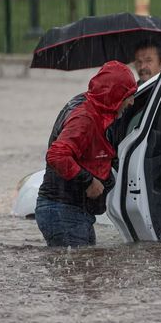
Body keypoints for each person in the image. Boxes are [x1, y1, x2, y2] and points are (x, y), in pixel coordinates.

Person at [35, 61, 138, 247]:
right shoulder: (85, 118)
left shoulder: (95, 106)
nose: (132, 102)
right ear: (114, 95)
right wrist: (88, 181)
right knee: (81, 273)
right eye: (129, 96)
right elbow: (57, 156)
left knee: (86, 271)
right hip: (63, 211)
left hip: (72, 211)